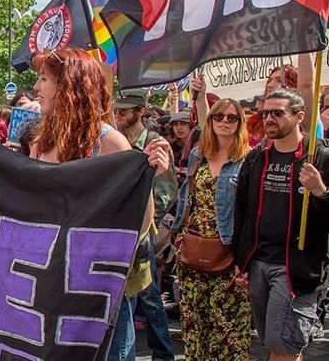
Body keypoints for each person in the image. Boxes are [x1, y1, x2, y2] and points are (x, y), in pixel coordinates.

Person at [30, 48, 167, 361]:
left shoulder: (108, 143)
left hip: (98, 288)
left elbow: (141, 225)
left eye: (43, 79)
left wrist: (144, 182)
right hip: (50, 281)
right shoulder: (41, 143)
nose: (36, 89)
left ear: (70, 86)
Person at [233, 88, 329, 361]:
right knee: (277, 346)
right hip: (259, 264)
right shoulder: (256, 157)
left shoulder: (319, 157)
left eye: (277, 113)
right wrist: (242, 260)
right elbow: (242, 211)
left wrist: (321, 191)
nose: (268, 119)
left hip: (295, 270)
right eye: (265, 113)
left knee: (283, 347)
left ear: (299, 116)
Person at [172, 88, 252, 359]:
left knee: (228, 331)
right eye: (219, 116)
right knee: (195, 327)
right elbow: (187, 198)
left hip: (229, 254)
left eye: (232, 118)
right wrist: (178, 237)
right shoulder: (198, 155)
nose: (225, 122)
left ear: (241, 123)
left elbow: (251, 212)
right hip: (193, 250)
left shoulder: (249, 159)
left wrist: (247, 258)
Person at [113, 91, 175, 361]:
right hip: (119, 231)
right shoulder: (115, 140)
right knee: (126, 298)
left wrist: (148, 219)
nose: (118, 116)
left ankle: (163, 354)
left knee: (148, 296)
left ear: (140, 112)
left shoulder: (156, 143)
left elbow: (167, 191)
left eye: (124, 111)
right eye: (117, 111)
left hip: (142, 232)